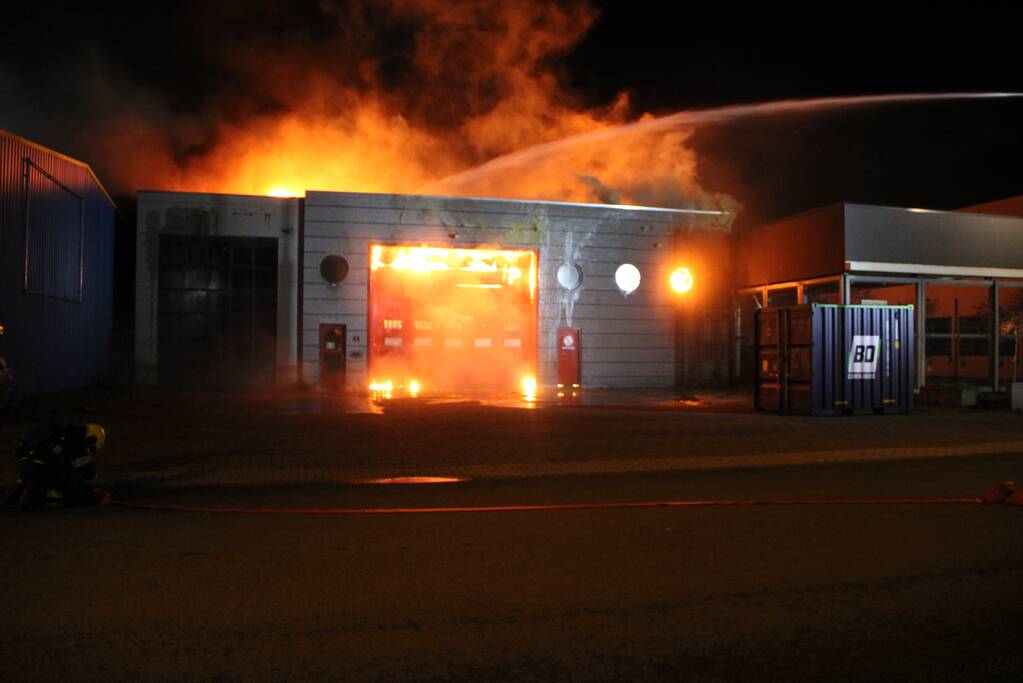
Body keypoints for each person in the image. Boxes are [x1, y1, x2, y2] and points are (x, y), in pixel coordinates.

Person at [3, 417, 107, 511]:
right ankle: (47, 500)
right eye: (91, 448)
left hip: (27, 465)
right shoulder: (76, 440)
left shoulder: (64, 433)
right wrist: (93, 479)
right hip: (43, 471)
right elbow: (87, 471)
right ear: (91, 439)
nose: (89, 451)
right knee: (70, 487)